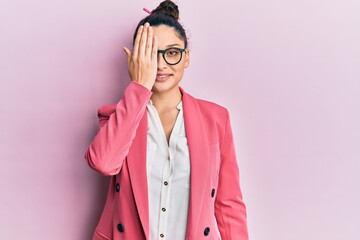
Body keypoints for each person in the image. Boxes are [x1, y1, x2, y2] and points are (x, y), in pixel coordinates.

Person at [84, 1, 248, 239]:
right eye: (151, 54)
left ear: (186, 58)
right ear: (137, 59)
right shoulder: (116, 115)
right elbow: (103, 163)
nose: (161, 64)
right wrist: (139, 86)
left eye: (172, 53)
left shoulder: (216, 119)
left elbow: (229, 203)